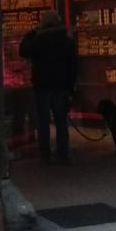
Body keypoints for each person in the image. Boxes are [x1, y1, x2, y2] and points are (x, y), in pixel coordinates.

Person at [19, 10, 77, 164]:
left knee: (43, 121)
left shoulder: (39, 40)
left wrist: (30, 34)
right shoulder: (67, 41)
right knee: (61, 121)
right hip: (60, 86)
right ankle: (63, 152)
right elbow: (73, 66)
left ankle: (45, 153)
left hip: (42, 85)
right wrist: (71, 87)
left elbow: (23, 51)